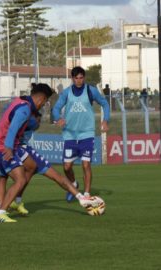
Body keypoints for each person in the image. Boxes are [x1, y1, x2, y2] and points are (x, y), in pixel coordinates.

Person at [0, 111, 102, 216]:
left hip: (10, 147)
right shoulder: (28, 121)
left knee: (4, 176)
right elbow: (27, 125)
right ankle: (5, 208)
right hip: (17, 149)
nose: (39, 122)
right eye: (39, 119)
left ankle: (6, 205)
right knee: (53, 176)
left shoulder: (23, 120)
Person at [0, 83, 53, 222]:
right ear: (41, 99)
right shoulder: (25, 109)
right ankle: (1, 213)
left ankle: (2, 208)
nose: (42, 106)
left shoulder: (21, 101)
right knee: (20, 179)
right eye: (44, 103)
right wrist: (8, 148)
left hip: (2, 144)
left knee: (4, 176)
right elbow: (13, 128)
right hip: (4, 147)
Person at [52, 66, 110, 202]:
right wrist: (58, 118)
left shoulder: (91, 90)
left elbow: (105, 104)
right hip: (70, 135)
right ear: (72, 79)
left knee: (86, 165)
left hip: (87, 134)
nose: (79, 80)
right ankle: (73, 184)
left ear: (84, 78)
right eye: (76, 78)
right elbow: (56, 108)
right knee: (66, 167)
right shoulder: (66, 93)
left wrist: (105, 120)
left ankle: (87, 194)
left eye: (81, 77)